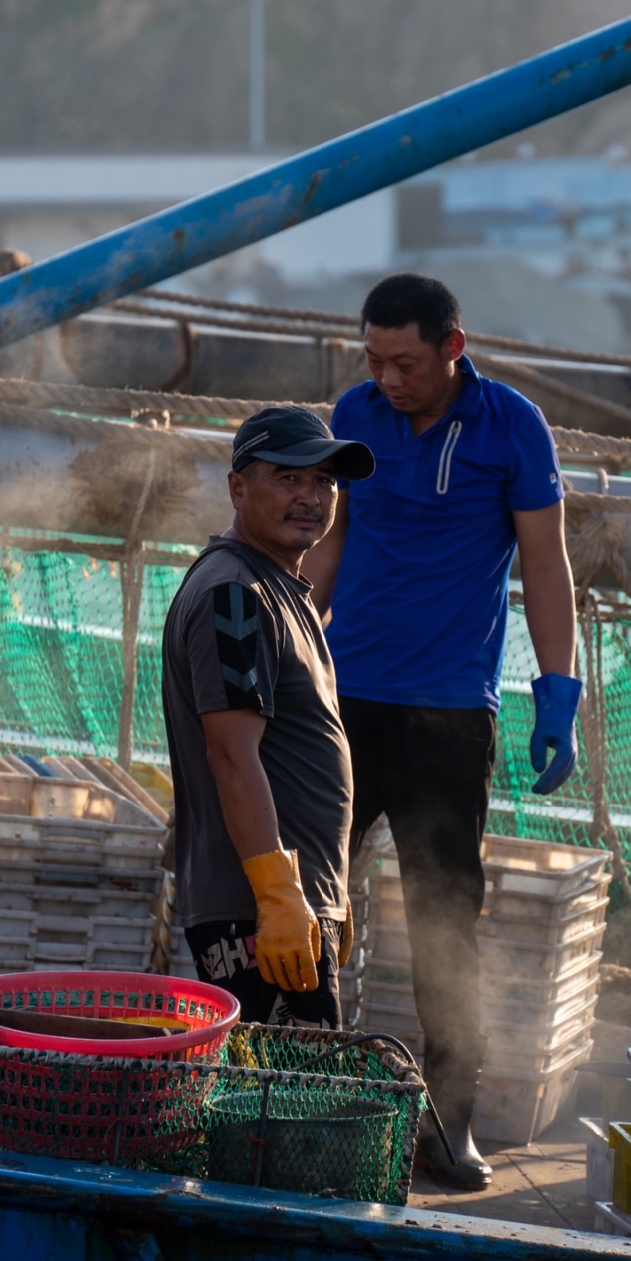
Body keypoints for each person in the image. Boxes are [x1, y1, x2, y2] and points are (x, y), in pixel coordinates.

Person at [307, 272, 580, 1190]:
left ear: (453, 346)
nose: (387, 378)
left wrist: (558, 687)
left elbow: (545, 562)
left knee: (444, 922)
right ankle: (302, 1092)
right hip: (346, 701)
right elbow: (335, 535)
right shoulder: (354, 411)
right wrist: (299, 641)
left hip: (451, 715)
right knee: (307, 899)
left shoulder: (513, 427)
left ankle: (447, 1123)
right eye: (374, 360)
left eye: (406, 362)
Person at [162, 405, 376, 1026]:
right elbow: (232, 754)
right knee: (276, 1109)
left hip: (293, 904)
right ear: (237, 487)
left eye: (325, 482)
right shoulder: (236, 595)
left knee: (280, 1100)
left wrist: (326, 891)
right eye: (288, 478)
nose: (310, 497)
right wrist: (279, 896)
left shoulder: (278, 586)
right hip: (257, 913)